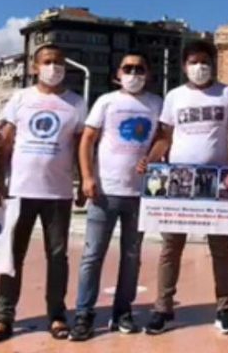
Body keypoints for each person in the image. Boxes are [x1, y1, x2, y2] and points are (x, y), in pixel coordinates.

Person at [0, 44, 88, 343]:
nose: (53, 68)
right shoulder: (20, 99)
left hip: (58, 192)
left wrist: (83, 183)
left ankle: (56, 314)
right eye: (47, 62)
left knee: (57, 256)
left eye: (58, 63)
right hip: (20, 189)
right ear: (34, 67)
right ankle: (4, 317)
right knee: (12, 255)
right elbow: (5, 142)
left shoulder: (76, 103)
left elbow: (81, 147)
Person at [141, 39, 228, 335]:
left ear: (213, 63)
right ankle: (163, 306)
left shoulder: (227, 93)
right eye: (193, 62)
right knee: (171, 246)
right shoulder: (174, 96)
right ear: (185, 65)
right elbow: (164, 137)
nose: (199, 67)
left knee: (221, 248)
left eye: (205, 61)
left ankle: (225, 307)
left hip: (216, 179)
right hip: (179, 178)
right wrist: (148, 160)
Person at [68, 53, 162, 341]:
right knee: (92, 255)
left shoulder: (157, 103)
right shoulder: (106, 101)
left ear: (148, 73)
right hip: (105, 190)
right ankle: (84, 313)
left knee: (132, 257)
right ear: (117, 74)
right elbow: (87, 139)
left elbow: (162, 137)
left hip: (139, 193)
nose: (134, 72)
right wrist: (86, 177)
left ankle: (123, 311)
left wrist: (152, 157)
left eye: (139, 68)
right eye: (128, 68)